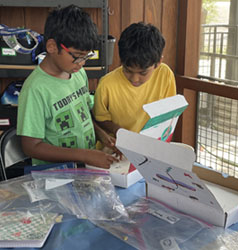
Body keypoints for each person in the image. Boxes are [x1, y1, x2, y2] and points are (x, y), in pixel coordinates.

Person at [17, 5, 119, 169]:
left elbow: (82, 115)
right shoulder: (35, 90)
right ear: (51, 47)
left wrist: (101, 135)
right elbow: (31, 147)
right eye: (78, 57)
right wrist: (84, 155)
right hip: (55, 176)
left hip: (84, 168)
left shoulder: (78, 73)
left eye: (87, 56)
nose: (82, 63)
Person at [93, 22, 176, 137]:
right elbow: (99, 118)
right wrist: (119, 131)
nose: (134, 79)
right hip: (117, 145)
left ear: (158, 63)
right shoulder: (107, 84)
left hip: (152, 142)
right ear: (121, 61)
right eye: (128, 70)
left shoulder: (165, 74)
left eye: (143, 73)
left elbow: (169, 113)